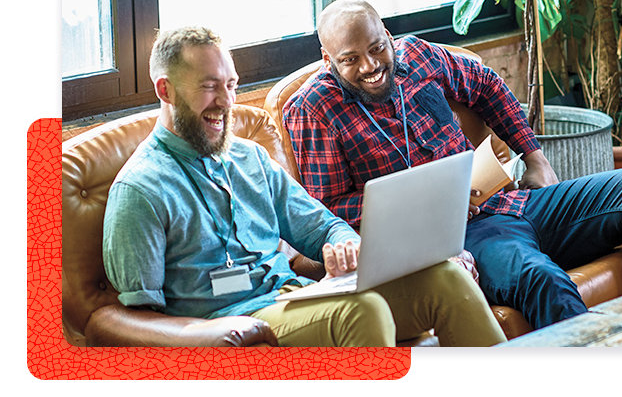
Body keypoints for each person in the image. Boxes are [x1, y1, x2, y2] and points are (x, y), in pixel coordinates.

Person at [284, 0, 622, 330]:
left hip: (509, 203)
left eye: (376, 48)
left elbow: (487, 84)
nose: (370, 66)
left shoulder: (418, 57)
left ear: (388, 35)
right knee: (542, 279)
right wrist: (428, 203)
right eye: (350, 59)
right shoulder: (314, 110)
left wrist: (535, 158)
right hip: (458, 239)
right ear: (327, 60)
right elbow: (329, 209)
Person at [102, 26, 507, 347]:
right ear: (165, 90)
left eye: (231, 85)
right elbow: (139, 320)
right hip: (232, 323)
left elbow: (323, 227)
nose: (226, 101)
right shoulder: (140, 191)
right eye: (210, 86)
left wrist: (345, 244)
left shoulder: (251, 158)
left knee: (446, 278)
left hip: (296, 297)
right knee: (363, 310)